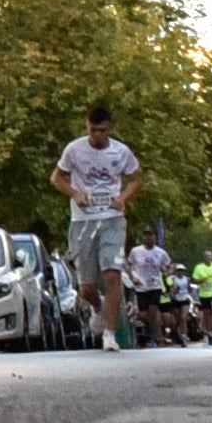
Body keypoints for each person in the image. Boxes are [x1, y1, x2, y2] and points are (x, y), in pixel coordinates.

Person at [53, 105, 141, 351]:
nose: (97, 136)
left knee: (112, 274)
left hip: (112, 218)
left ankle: (110, 335)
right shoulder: (74, 149)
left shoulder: (121, 152)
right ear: (87, 127)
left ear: (110, 129)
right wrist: (74, 193)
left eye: (102, 131)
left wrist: (123, 198)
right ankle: (97, 308)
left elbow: (136, 179)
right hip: (83, 220)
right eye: (92, 130)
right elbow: (56, 177)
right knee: (86, 288)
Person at [125, 228, 172, 347]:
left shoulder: (161, 253)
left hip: (155, 286)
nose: (147, 238)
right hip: (141, 286)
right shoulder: (136, 251)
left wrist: (167, 272)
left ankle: (157, 337)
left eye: (150, 235)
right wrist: (132, 278)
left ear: (155, 238)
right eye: (145, 235)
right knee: (143, 315)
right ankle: (150, 333)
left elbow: (169, 266)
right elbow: (128, 265)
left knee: (153, 311)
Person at [191, 250, 212, 343]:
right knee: (207, 313)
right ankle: (209, 332)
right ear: (204, 257)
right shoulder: (199, 267)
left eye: (210, 256)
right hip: (204, 293)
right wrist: (202, 280)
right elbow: (195, 280)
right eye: (206, 256)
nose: (208, 257)